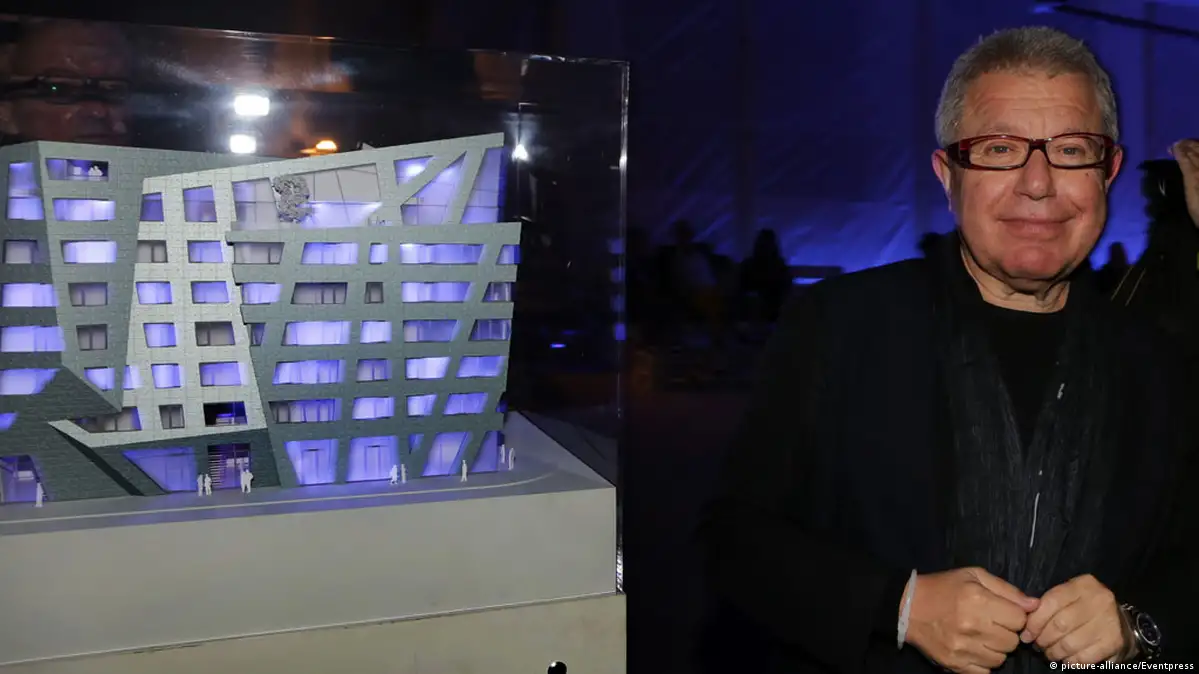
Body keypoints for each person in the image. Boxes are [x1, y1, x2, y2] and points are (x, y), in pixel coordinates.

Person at [701, 26, 1197, 673]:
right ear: (947, 174)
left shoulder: (1156, 361)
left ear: (1108, 172)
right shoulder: (842, 325)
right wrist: (898, 605)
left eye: (1071, 150)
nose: (1038, 183)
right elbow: (732, 536)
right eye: (999, 149)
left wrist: (1136, 623)